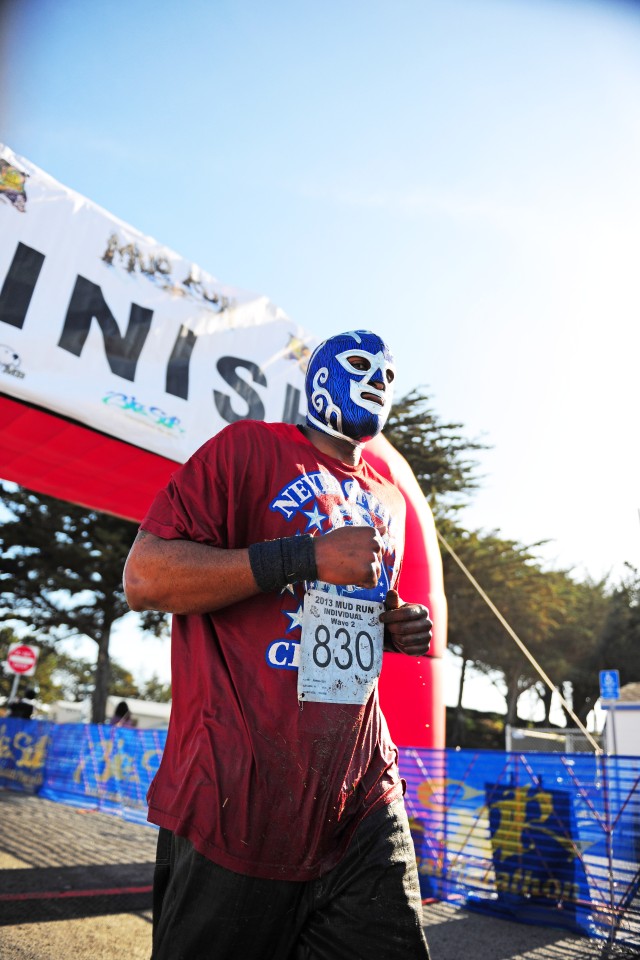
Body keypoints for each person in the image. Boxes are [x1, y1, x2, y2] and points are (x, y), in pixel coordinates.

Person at [124, 329, 433, 960]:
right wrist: (304, 555)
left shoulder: (389, 501)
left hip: (362, 794)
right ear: (320, 375)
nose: (377, 380)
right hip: (240, 792)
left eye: (389, 376)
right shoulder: (249, 449)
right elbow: (146, 577)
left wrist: (393, 626)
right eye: (359, 366)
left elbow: (344, 615)